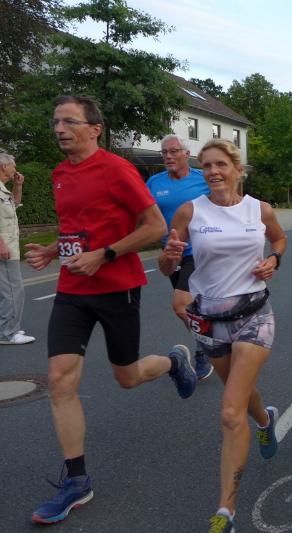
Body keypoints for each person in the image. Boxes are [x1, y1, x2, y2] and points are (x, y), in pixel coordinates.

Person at [27, 95, 197, 525]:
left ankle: (174, 361)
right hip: (72, 289)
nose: (59, 129)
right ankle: (76, 480)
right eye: (56, 121)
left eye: (69, 121)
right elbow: (77, 229)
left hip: (117, 287)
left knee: (127, 376)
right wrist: (53, 250)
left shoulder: (117, 169)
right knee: (59, 379)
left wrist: (104, 255)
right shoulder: (60, 173)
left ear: (95, 128)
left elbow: (155, 227)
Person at [160, 138, 286, 533]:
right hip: (210, 320)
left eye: (221, 165)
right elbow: (168, 264)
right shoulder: (190, 211)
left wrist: (274, 259)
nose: (213, 172)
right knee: (240, 393)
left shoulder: (259, 209)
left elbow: (279, 239)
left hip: (254, 316)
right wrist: (168, 259)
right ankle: (265, 420)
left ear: (237, 169)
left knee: (231, 411)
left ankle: (225, 511)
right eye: (207, 166)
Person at [148, 134, 214, 380]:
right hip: (172, 254)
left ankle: (206, 347)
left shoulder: (202, 179)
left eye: (174, 151)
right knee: (194, 308)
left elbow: (225, 201)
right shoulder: (154, 183)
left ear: (187, 154)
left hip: (198, 251)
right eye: (164, 152)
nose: (168, 156)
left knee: (181, 304)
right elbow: (142, 213)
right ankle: (207, 340)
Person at [0, 152, 35, 345]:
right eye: (13, 165)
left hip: (8, 245)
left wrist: (18, 186)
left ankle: (6, 327)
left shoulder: (2, 189)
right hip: (5, 248)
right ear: (4, 167)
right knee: (13, 291)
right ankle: (8, 333)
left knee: (6, 291)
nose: (15, 169)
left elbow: (14, 204)